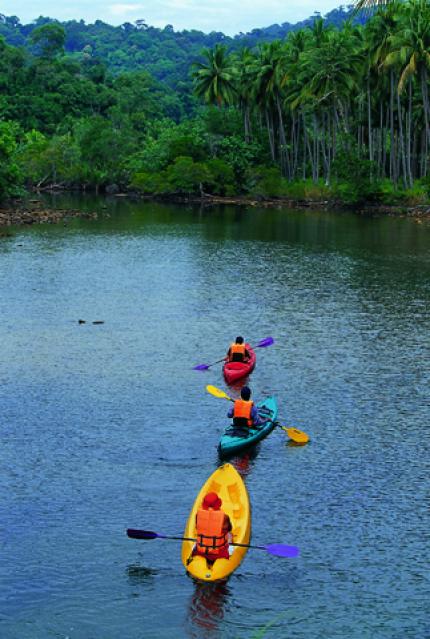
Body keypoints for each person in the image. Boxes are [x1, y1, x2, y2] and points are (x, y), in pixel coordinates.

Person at [193, 492, 232, 561]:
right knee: (229, 534)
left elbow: (197, 527)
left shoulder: (198, 515)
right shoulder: (224, 517)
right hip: (219, 553)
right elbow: (229, 529)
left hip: (200, 552)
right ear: (218, 504)